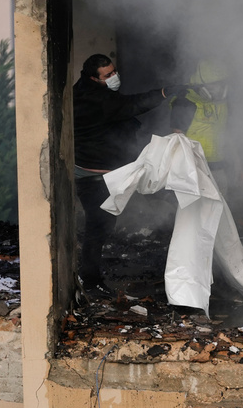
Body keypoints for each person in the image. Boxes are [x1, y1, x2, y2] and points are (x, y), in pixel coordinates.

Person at [73, 53, 173, 296]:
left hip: (110, 173)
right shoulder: (91, 99)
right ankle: (90, 280)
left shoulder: (96, 92)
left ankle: (89, 275)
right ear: (93, 79)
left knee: (104, 224)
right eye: (108, 75)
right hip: (92, 177)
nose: (115, 77)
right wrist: (161, 93)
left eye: (114, 71)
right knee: (99, 226)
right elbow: (130, 106)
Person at [169, 59, 242, 197]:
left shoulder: (222, 103)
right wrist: (185, 174)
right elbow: (176, 141)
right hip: (194, 169)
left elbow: (226, 133)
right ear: (201, 85)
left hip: (218, 167)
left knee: (220, 210)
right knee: (196, 214)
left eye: (220, 84)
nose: (218, 89)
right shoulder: (185, 102)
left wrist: (237, 162)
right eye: (213, 85)